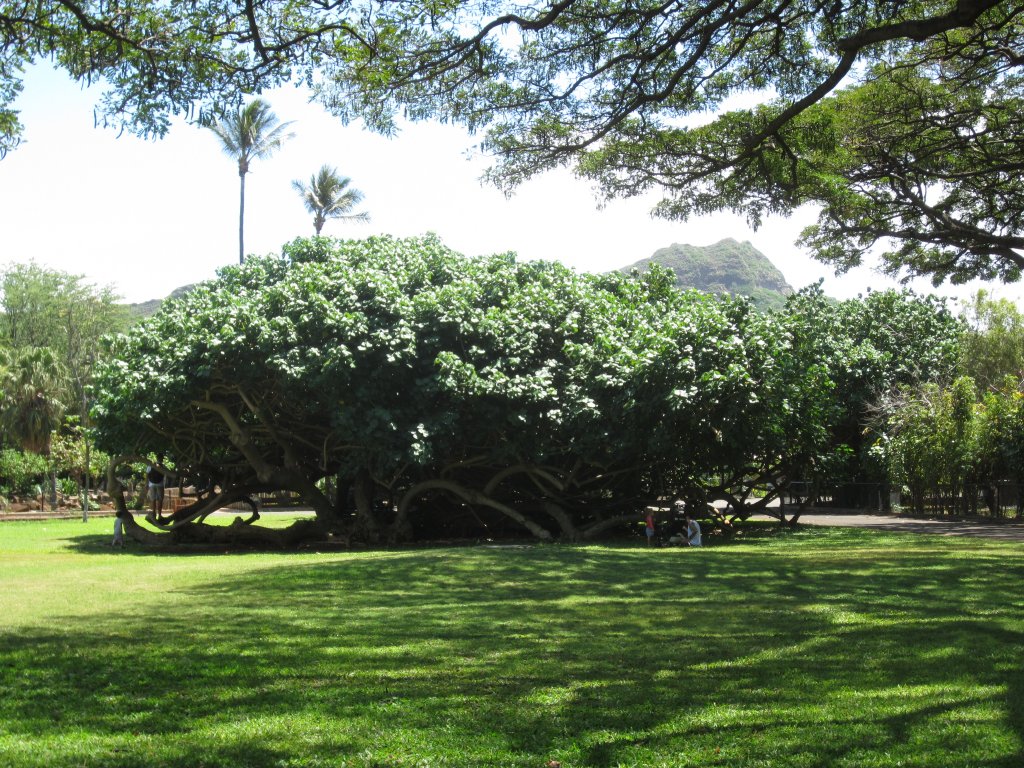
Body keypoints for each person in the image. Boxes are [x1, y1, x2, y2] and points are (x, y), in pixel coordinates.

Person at [146, 457, 165, 521]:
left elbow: (147, 475)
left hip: (151, 485)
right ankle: (159, 515)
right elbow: (165, 475)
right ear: (162, 459)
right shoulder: (163, 466)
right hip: (160, 485)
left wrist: (147, 484)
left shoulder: (150, 466)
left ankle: (154, 514)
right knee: (160, 500)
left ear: (156, 458)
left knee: (153, 499)